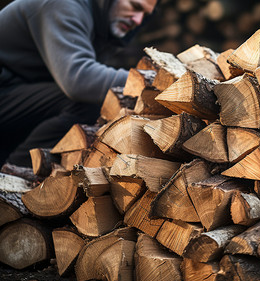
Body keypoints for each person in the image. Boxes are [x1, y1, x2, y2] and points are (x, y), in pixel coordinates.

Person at [0, 0, 158, 178]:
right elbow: (80, 80)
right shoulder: (62, 4)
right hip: (6, 90)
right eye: (135, 7)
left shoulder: (99, 21)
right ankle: (13, 181)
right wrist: (156, 80)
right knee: (86, 102)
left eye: (145, 15)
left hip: (15, 94)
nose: (138, 20)